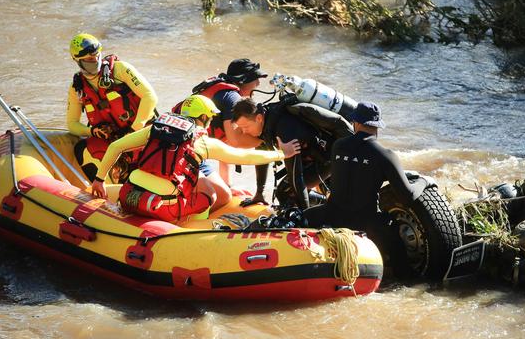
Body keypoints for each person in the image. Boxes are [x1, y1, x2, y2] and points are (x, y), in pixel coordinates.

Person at [91, 95, 300, 223]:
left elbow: (115, 146)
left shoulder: (155, 128)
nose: (209, 123)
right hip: (161, 209)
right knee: (208, 190)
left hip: (128, 198)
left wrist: (99, 179)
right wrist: (282, 153)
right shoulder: (202, 142)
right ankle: (195, 223)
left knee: (192, 179)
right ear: (203, 118)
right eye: (209, 118)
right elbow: (244, 156)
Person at [303, 102, 422, 274]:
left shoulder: (338, 146)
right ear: (377, 127)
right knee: (398, 250)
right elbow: (408, 195)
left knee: (301, 216)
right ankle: (401, 279)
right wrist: (424, 182)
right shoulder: (385, 155)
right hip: (366, 224)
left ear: (355, 123)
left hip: (332, 216)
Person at [177, 58, 269, 207]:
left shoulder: (223, 92)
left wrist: (228, 185)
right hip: (187, 154)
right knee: (223, 197)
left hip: (186, 150)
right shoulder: (232, 98)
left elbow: (224, 144)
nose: (258, 84)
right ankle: (184, 218)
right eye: (255, 80)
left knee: (225, 191)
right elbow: (235, 141)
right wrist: (266, 140)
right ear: (243, 80)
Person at [66, 33, 158, 182]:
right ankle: (112, 186)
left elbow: (150, 96)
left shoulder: (120, 69)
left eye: (97, 55)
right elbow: (72, 124)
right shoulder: (77, 88)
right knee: (82, 147)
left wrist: (134, 130)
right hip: (114, 138)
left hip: (141, 131)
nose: (95, 60)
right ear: (78, 61)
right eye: (89, 59)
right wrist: (91, 131)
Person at [232, 97, 350, 210]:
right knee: (287, 191)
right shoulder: (267, 121)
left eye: (246, 127)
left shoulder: (284, 131)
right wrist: (259, 193)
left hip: (328, 157)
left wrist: (305, 217)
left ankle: (317, 213)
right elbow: (262, 157)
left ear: (258, 118)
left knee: (285, 192)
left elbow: (296, 178)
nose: (244, 132)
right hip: (313, 156)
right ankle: (328, 207)